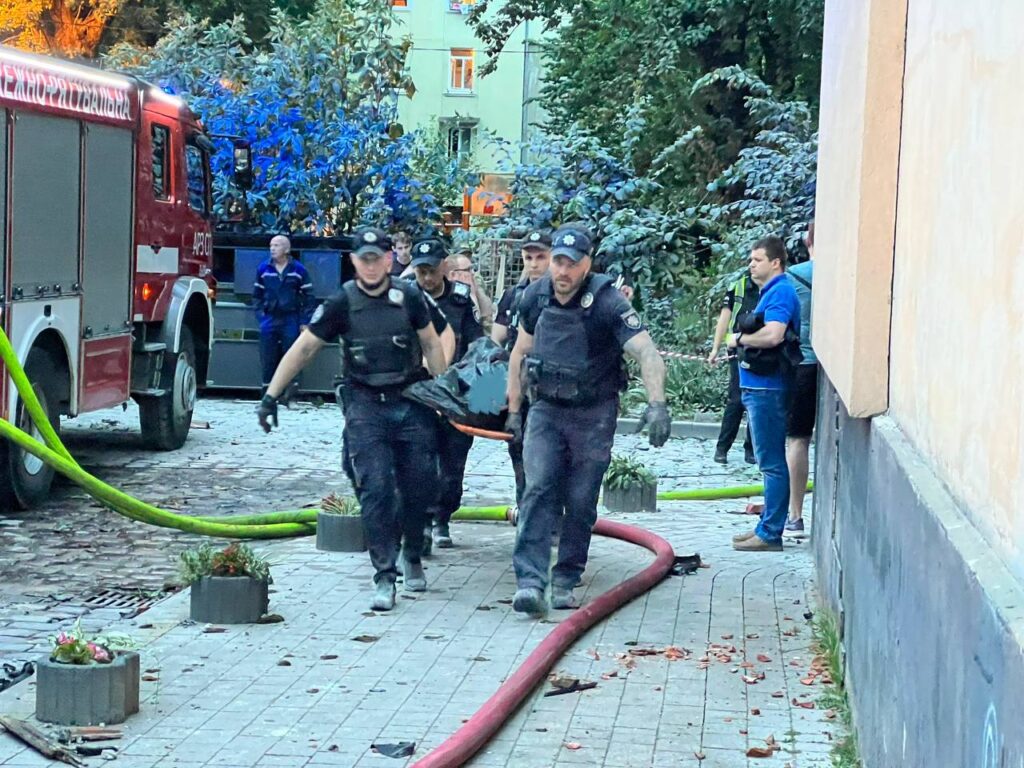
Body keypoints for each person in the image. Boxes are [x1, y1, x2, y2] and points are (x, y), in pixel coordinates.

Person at [257, 227, 448, 611]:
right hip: (365, 403)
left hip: (410, 399)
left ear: (389, 260)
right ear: (354, 261)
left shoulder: (409, 296)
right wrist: (270, 395)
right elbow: (305, 347)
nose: (371, 266)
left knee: (419, 485)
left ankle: (412, 551)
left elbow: (431, 342)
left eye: (377, 259)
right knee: (376, 489)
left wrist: (443, 396)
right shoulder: (342, 302)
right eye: (364, 259)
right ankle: (384, 575)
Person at [505, 225, 671, 617]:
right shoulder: (535, 297)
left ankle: (566, 576)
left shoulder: (608, 302)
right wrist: (513, 410)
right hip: (545, 409)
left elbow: (646, 352)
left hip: (593, 414)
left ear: (587, 265)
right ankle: (530, 582)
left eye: (571, 264)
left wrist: (658, 404)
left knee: (580, 499)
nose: (562, 271)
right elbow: (519, 353)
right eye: (558, 262)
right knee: (537, 489)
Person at [410, 238, 484, 550]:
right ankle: (423, 522)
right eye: (421, 272)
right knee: (419, 461)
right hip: (417, 393)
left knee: (453, 465)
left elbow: (476, 346)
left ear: (444, 267)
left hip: (455, 394)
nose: (427, 278)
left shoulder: (460, 300)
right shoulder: (405, 297)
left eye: (432, 270)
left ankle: (443, 517)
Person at [729, 235, 802, 552]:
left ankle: (771, 533)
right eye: (751, 259)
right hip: (759, 386)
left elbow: (774, 335)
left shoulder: (781, 292)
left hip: (768, 388)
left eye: (757, 259)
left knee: (772, 463)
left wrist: (738, 340)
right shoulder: (770, 292)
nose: (751, 265)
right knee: (768, 461)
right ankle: (765, 526)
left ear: (776, 263)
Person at [491, 229, 552, 508]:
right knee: (519, 453)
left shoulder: (562, 294)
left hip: (549, 382)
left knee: (549, 457)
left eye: (540, 257)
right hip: (520, 381)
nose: (534, 264)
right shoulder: (513, 295)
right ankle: (526, 510)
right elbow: (497, 340)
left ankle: (551, 516)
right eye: (528, 258)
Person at [252, 235, 316, 397]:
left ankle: (291, 396)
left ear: (287, 249)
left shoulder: (298, 270)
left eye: (277, 245)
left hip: (291, 318)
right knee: (267, 356)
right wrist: (261, 316)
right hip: (269, 318)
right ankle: (268, 396)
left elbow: (309, 297)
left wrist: (304, 321)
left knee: (293, 355)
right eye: (271, 245)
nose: (272, 249)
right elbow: (256, 295)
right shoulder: (263, 269)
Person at [709, 271, 760, 464]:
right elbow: (724, 318)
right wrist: (715, 349)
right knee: (736, 399)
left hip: (762, 350)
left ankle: (751, 449)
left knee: (756, 398)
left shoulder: (773, 288)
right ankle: (722, 448)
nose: (753, 265)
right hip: (737, 349)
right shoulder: (738, 286)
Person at [785, 222, 817, 536]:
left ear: (808, 241)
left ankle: (794, 513)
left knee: (797, 440)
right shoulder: (843, 274)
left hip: (802, 364)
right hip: (829, 367)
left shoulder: (793, 276)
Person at [448, 251, 495, 332]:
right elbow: (476, 318)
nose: (473, 273)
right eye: (468, 270)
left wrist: (476, 289)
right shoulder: (451, 293)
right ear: (453, 274)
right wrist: (472, 294)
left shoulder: (474, 282)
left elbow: (487, 315)